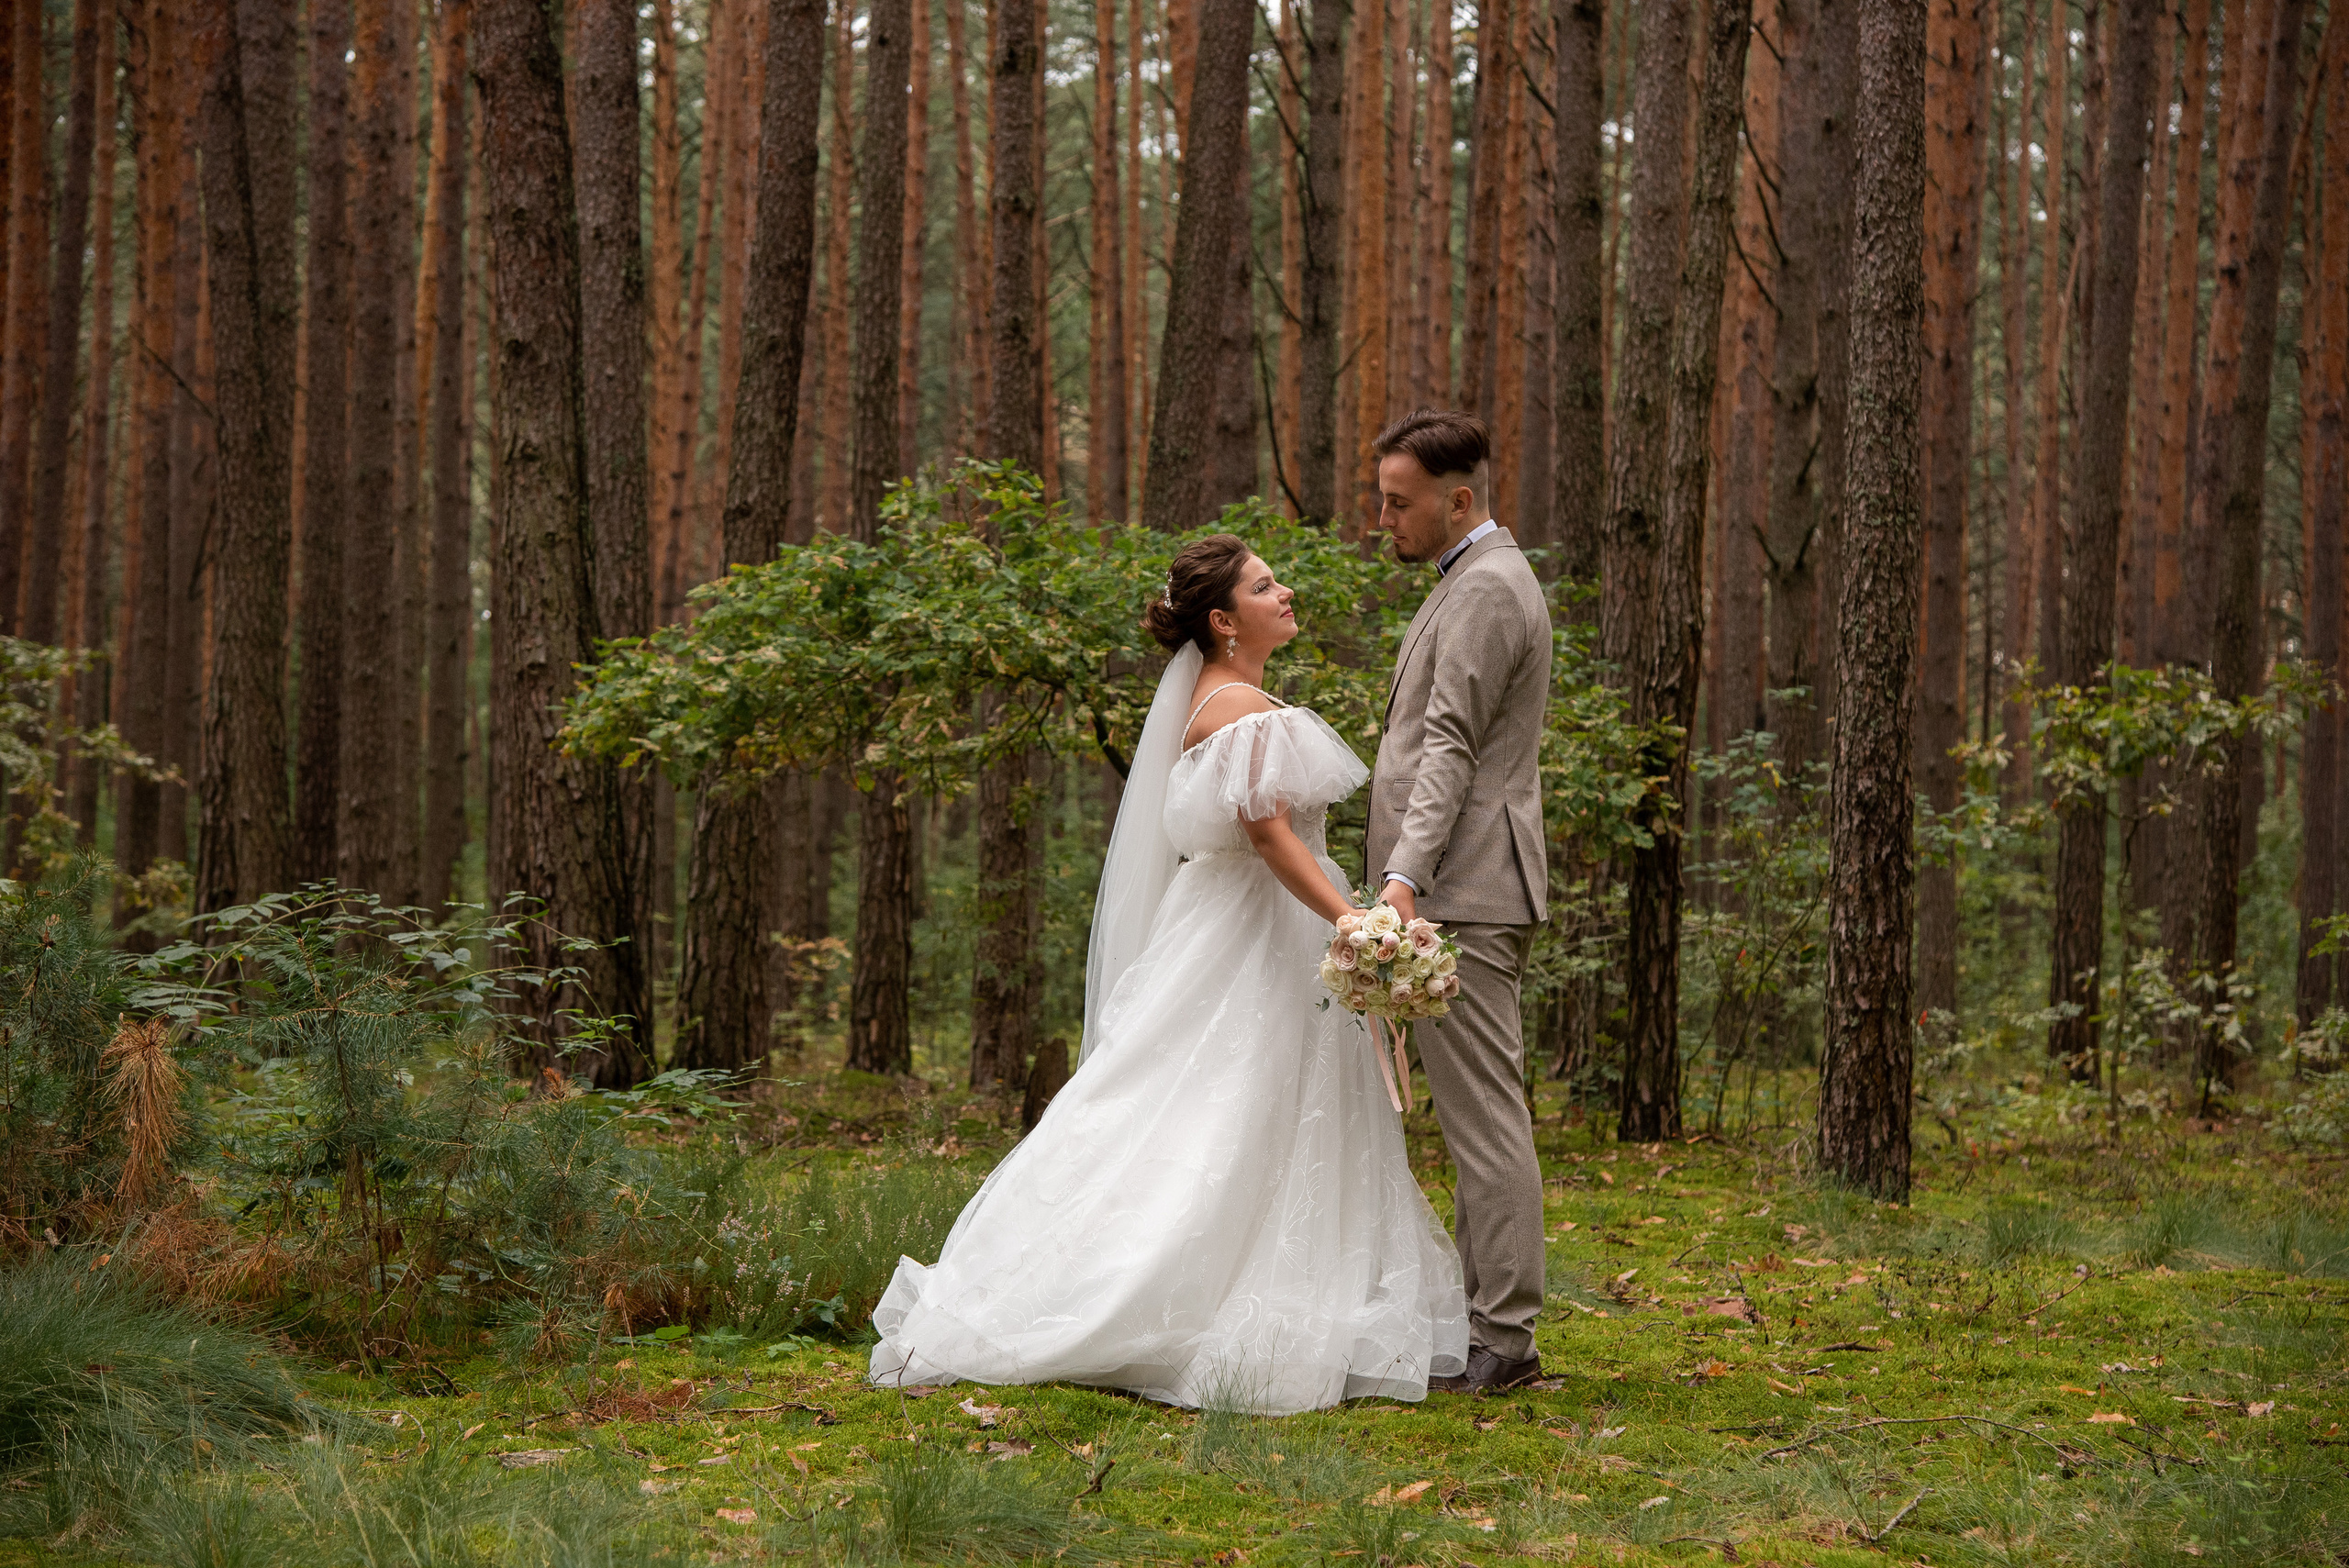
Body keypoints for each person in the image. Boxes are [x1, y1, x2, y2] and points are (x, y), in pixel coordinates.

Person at [868, 534, 1467, 1414]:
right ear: (1224, 620)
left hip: (1231, 921)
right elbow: (1270, 836)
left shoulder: (1213, 696)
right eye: (1265, 586)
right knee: (1228, 1103)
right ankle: (1164, 1293)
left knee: (1217, 1101)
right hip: (1258, 927)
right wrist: (1352, 919)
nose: (1285, 592)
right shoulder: (1240, 709)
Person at [1365, 409, 1553, 1394]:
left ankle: (1506, 1340)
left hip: (1465, 887)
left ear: (1459, 499)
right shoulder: (1471, 577)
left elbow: (1449, 747)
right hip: (1462, 881)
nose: (1383, 518)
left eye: (1399, 502)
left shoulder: (1484, 587)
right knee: (1478, 1116)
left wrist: (1402, 878)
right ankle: (1492, 1328)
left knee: (1484, 1118)